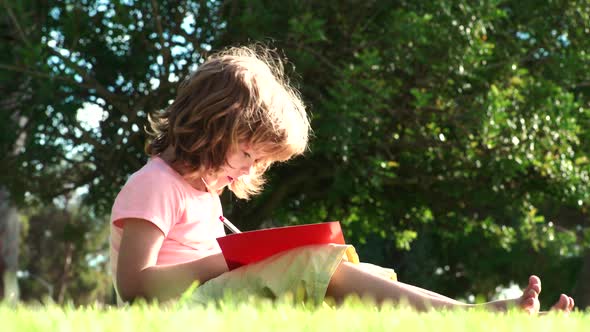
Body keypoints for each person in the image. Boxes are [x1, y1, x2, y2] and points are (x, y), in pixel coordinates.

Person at [110, 45, 575, 313]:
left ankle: (464, 315)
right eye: (248, 152)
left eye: (260, 161)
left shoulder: (206, 197)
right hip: (180, 315)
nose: (250, 171)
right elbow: (133, 287)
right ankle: (466, 317)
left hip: (211, 302)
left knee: (348, 271)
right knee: (315, 266)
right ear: (210, 125)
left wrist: (244, 256)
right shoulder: (155, 184)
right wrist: (227, 262)